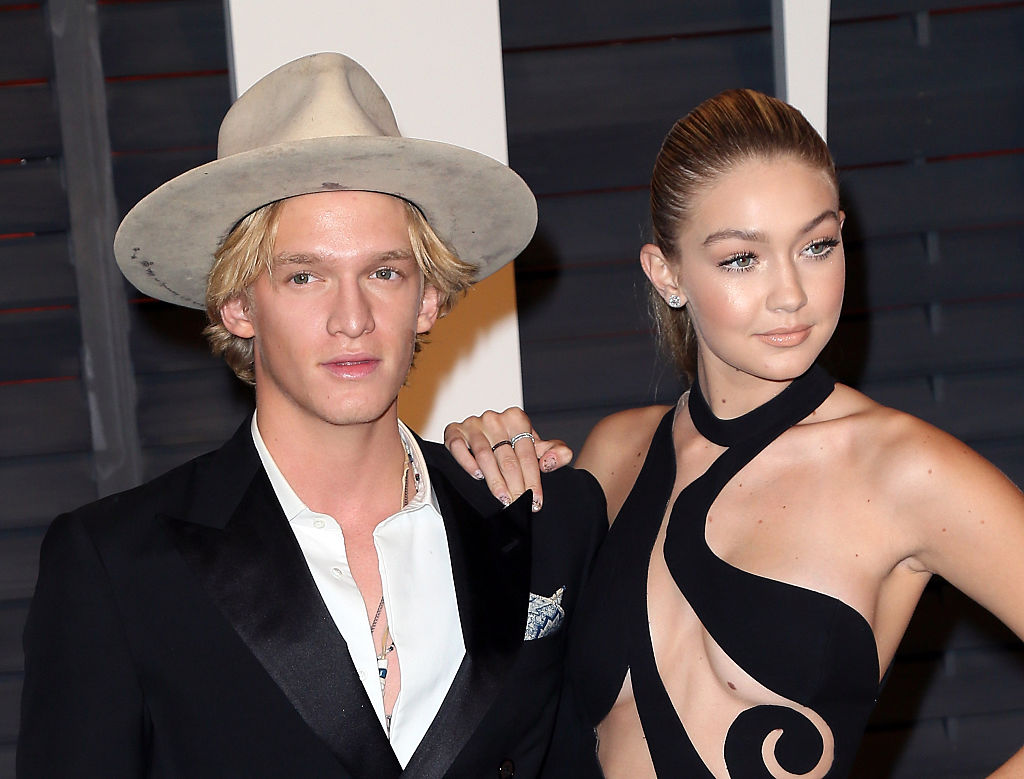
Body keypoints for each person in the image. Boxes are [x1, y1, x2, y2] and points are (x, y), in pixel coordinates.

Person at [17, 52, 607, 778]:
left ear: (426, 300)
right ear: (238, 305)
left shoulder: (544, 520)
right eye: (304, 276)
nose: (351, 318)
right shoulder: (118, 565)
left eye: (383, 272)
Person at [444, 88, 1024, 777]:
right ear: (667, 274)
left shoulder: (906, 470)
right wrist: (479, 480)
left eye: (817, 246)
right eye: (742, 259)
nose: (791, 294)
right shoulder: (616, 452)